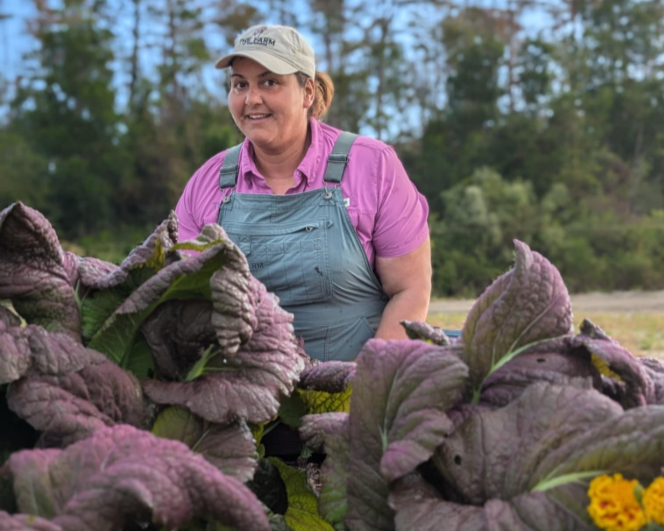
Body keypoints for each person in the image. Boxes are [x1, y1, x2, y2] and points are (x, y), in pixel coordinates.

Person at [175, 24, 431, 362]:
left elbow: (410, 290)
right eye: (240, 84)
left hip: (353, 394)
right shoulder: (207, 183)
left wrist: (365, 388)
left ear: (308, 92)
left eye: (270, 82)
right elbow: (180, 300)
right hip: (242, 396)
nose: (252, 99)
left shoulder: (372, 166)